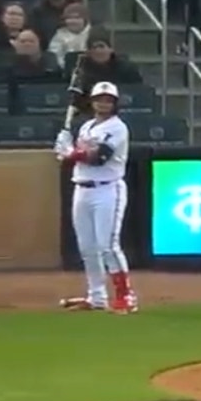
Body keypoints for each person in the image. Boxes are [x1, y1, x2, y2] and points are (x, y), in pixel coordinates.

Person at [55, 81, 137, 314]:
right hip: (82, 187)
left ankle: (126, 296)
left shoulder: (117, 127)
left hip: (108, 188)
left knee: (107, 245)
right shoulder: (87, 127)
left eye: (108, 100)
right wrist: (66, 149)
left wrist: (71, 154)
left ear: (115, 104)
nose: (103, 103)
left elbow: (100, 156)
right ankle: (96, 296)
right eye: (99, 99)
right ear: (92, 101)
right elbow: (77, 156)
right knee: (87, 247)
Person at [48, 1, 91, 69]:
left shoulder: (93, 34)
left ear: (85, 19)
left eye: (77, 18)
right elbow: (54, 55)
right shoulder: (59, 36)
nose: (73, 21)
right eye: (69, 18)